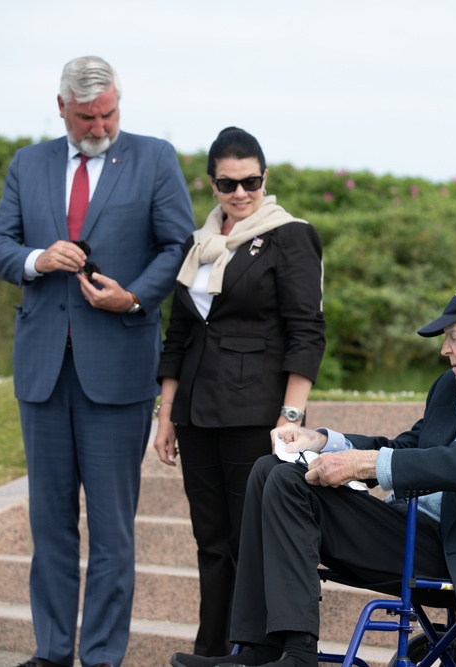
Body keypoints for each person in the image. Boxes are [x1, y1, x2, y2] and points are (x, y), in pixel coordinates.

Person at [170, 278, 456, 667]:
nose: (445, 349)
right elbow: (407, 448)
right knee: (269, 469)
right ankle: (262, 648)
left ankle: (298, 654)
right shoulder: (452, 387)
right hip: (413, 529)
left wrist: (364, 464)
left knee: (290, 483)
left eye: (454, 336)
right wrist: (324, 441)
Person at [0, 56, 196, 667]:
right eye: (87, 117)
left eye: (109, 114)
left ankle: (100, 656)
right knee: (49, 526)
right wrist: (35, 260)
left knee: (111, 530)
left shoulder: (154, 158)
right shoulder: (29, 163)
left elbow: (178, 245)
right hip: (43, 372)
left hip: (119, 372)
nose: (100, 127)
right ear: (61, 109)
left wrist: (134, 298)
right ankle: (51, 652)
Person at [152, 126, 326, 656]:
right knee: (211, 541)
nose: (241, 193)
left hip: (255, 412)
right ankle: (211, 649)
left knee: (248, 540)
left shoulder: (290, 235)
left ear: (265, 177)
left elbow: (307, 331)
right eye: (229, 184)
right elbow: (179, 333)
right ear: (212, 185)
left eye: (250, 180)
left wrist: (291, 415)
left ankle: (252, 650)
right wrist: (166, 414)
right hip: (196, 413)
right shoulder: (198, 246)